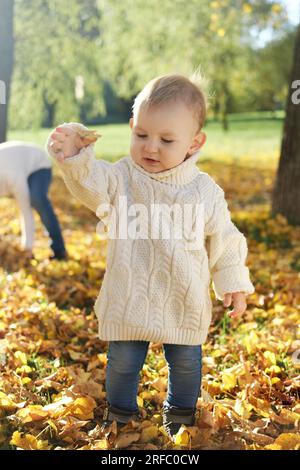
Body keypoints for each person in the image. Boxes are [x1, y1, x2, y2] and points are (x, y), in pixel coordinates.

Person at [46, 73, 255, 440]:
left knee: (187, 364)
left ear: (194, 143)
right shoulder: (122, 176)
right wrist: (76, 156)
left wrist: (233, 281)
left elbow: (224, 238)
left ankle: (181, 416)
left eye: (166, 139)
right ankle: (120, 414)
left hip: (184, 296)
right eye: (141, 135)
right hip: (131, 294)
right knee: (124, 362)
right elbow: (91, 185)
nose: (151, 148)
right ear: (131, 127)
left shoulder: (203, 191)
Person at [0, 141, 67, 260]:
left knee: (37, 199)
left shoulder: (11, 175)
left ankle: (59, 249)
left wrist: (28, 247)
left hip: (38, 164)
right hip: (19, 163)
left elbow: (25, 211)